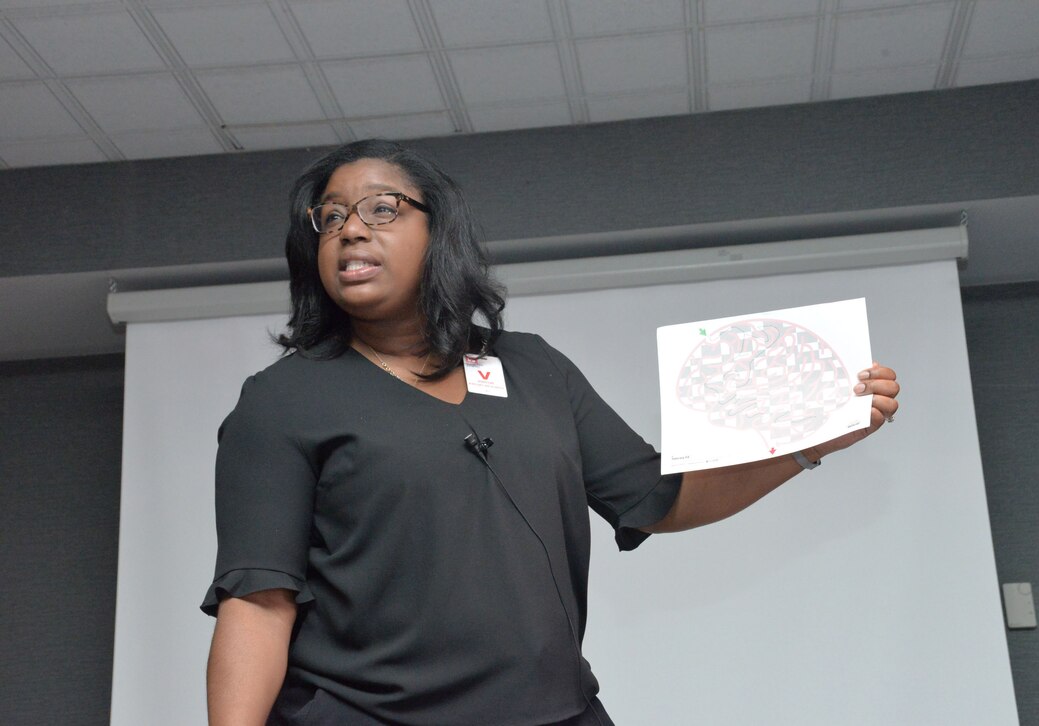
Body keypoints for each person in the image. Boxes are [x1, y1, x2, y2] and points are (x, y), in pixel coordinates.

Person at [202, 139, 900, 726]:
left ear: (438, 230)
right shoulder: (284, 399)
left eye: (382, 208)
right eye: (329, 219)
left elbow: (658, 496)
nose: (351, 229)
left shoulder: (532, 367)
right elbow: (259, 601)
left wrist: (808, 442)